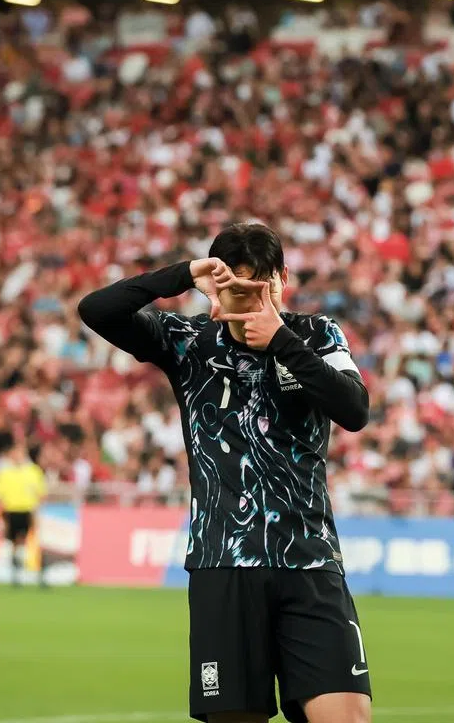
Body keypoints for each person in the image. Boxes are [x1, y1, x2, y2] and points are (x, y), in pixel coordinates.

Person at [79, 223, 372, 723]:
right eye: (237, 286)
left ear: (283, 278)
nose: (252, 298)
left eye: (262, 285)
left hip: (310, 561)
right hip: (224, 563)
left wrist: (281, 341)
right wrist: (184, 274)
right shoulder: (188, 341)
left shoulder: (316, 335)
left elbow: (355, 410)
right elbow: (97, 309)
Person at [0, 431, 47, 586]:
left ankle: (37, 573)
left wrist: (37, 510)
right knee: (14, 543)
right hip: (11, 510)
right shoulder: (4, 472)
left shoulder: (33, 471)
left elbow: (41, 493)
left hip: (28, 510)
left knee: (30, 541)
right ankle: (16, 574)